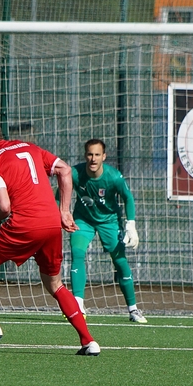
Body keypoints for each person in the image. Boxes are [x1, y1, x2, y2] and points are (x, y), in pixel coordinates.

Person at [0, 116, 100, 355]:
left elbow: (4, 206)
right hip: (51, 223)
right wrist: (65, 212)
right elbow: (64, 170)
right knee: (55, 284)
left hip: (25, 223)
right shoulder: (30, 147)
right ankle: (89, 341)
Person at [69, 138, 145, 323]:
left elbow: (128, 198)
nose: (93, 159)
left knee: (119, 260)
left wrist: (131, 225)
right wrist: (58, 214)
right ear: (85, 155)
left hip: (109, 221)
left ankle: (133, 309)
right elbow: (59, 195)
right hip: (83, 219)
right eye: (89, 154)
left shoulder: (114, 177)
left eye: (97, 155)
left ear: (104, 156)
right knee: (77, 252)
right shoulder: (74, 173)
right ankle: (78, 305)